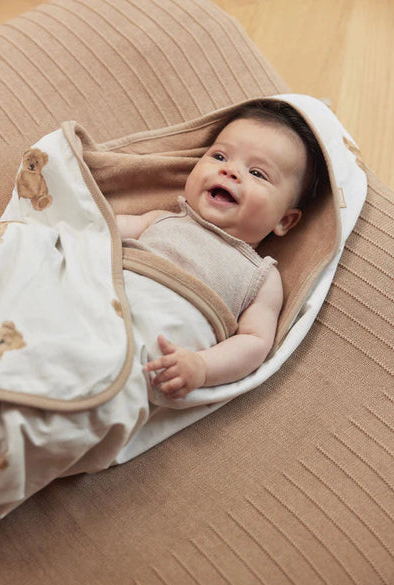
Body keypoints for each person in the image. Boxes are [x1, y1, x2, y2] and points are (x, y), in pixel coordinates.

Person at [116, 100, 325, 399]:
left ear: (284, 220)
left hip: (152, 353)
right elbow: (100, 230)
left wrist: (202, 366)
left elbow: (254, 342)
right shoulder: (160, 219)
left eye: (257, 173)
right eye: (219, 156)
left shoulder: (261, 277)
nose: (230, 171)